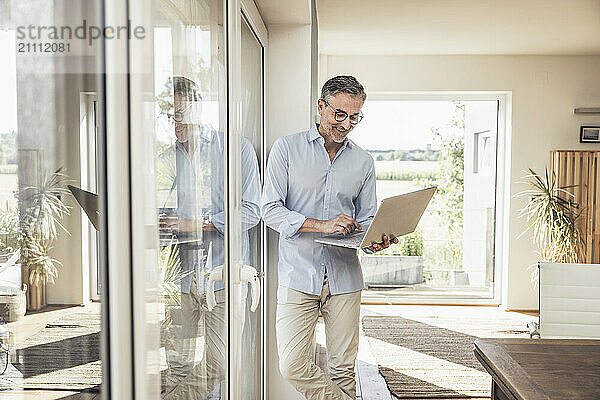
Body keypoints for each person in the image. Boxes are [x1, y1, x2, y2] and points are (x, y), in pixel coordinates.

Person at [262, 75, 397, 400]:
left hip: (345, 278)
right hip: (298, 276)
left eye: (354, 117)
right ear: (321, 106)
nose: (346, 124)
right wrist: (321, 225)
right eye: (339, 114)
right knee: (292, 365)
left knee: (342, 370)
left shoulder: (363, 161)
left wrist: (375, 239)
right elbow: (269, 210)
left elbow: (365, 220)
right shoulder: (287, 148)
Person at [160, 76, 261, 400]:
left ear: (198, 110)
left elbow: (252, 211)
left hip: (222, 275)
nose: (176, 122)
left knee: (220, 361)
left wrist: (199, 224)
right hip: (180, 275)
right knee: (178, 363)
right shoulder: (165, 158)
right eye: (170, 114)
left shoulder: (236, 149)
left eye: (181, 113)